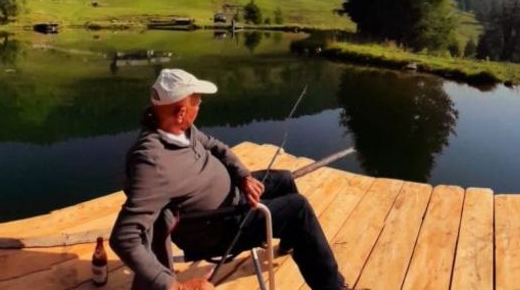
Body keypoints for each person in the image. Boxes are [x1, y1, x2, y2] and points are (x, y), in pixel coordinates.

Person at [110, 69, 346, 290]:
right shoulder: (152, 162)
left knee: (283, 178)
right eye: (197, 102)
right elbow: (124, 237)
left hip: (236, 195)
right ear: (181, 113)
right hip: (221, 228)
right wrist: (173, 285)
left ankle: (289, 242)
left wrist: (243, 176)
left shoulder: (179, 129)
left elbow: (216, 146)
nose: (200, 105)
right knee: (298, 209)